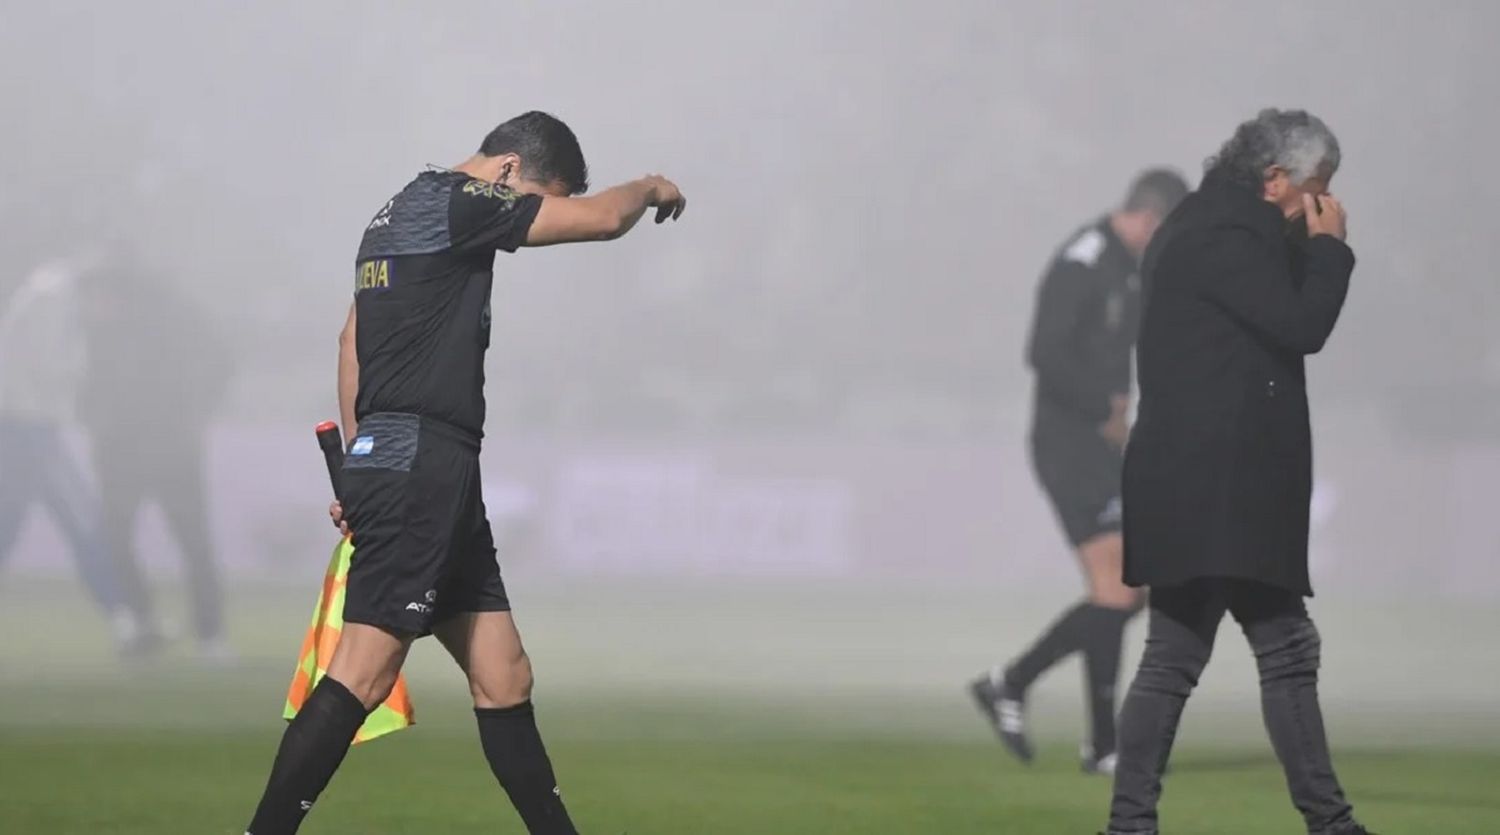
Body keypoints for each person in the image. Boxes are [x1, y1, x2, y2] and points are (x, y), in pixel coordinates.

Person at [244, 111, 686, 835]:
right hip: (423, 462)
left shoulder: (391, 216)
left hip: (421, 465)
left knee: (503, 672)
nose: (535, 215)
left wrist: (361, 458)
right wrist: (650, 184)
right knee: (363, 670)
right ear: (508, 169)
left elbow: (351, 336)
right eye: (541, 196)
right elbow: (605, 219)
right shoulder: (462, 201)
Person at [1103, 110, 1372, 835]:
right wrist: (1329, 248)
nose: (1322, 206)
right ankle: (1331, 823)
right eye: (1317, 190)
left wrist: (1300, 237)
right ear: (1275, 177)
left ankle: (1131, 824)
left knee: (1180, 654)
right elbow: (1302, 325)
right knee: (1275, 649)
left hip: (1196, 481)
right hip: (1221, 485)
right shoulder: (1227, 235)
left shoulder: (1204, 224)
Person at [969, 169, 1189, 775]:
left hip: (1102, 447)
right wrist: (1102, 408)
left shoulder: (1129, 267)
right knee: (1119, 587)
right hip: (1067, 444)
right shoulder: (1083, 259)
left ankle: (1014, 685)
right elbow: (1042, 351)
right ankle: (1100, 744)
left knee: (1127, 591)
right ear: (1148, 219)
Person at [79, 250, 235, 660]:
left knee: (186, 539)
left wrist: (195, 410)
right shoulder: (106, 328)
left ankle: (204, 632)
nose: (96, 300)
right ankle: (161, 625)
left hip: (163, 445)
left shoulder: (166, 322)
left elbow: (218, 361)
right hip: (133, 446)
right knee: (123, 537)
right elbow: (94, 383)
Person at [0, 254, 143, 652]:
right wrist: (83, 379)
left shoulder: (47, 296)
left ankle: (124, 620)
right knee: (81, 521)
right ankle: (124, 620)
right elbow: (47, 367)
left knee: (11, 525)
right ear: (100, 291)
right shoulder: (52, 303)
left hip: (25, 425)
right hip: (28, 427)